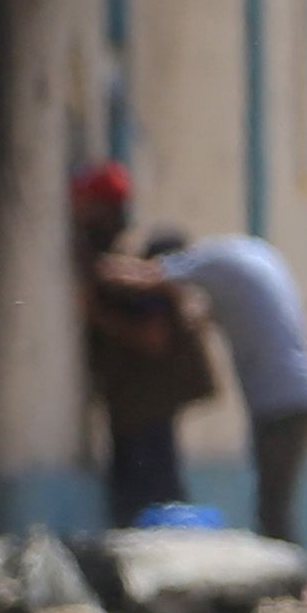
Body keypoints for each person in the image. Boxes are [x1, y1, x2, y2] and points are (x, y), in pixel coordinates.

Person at [145, 226, 307, 546]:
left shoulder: (206, 263)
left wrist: (96, 273)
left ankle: (295, 586)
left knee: (273, 507)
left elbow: (146, 276)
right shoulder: (247, 256)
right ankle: (296, 583)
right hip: (303, 395)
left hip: (280, 402)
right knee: (275, 503)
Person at [69, 163, 218, 525]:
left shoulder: (124, 265)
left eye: (86, 202)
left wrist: (95, 316)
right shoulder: (106, 257)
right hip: (134, 407)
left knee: (152, 507)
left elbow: (154, 337)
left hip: (144, 408)